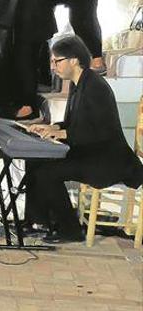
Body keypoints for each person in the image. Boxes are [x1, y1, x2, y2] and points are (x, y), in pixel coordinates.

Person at [26, 36, 143, 243]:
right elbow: (74, 123)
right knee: (35, 161)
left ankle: (70, 230)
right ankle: (40, 222)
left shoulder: (95, 86)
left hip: (106, 160)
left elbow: (100, 132)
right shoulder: (78, 83)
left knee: (48, 173)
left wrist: (63, 134)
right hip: (88, 152)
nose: (53, 67)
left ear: (74, 60)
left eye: (57, 61)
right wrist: (52, 127)